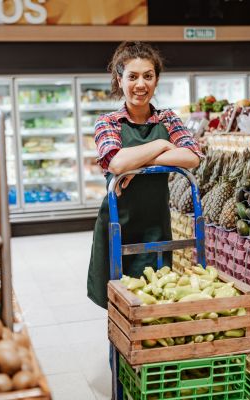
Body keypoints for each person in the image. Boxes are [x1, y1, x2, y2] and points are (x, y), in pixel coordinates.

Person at [87, 41, 203, 309]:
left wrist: (136, 165)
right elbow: (116, 163)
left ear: (156, 79)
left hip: (156, 226)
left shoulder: (168, 119)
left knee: (154, 299)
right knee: (119, 303)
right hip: (118, 224)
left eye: (148, 76)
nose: (141, 84)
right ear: (120, 79)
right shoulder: (108, 122)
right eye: (133, 76)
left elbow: (192, 156)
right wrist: (162, 146)